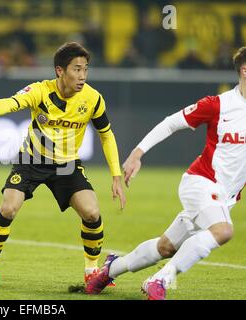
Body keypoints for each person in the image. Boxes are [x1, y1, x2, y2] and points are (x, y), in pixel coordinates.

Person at [0, 42, 126, 286]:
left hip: (67, 165)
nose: (82, 76)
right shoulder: (39, 91)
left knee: (92, 212)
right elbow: (8, 103)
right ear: (60, 71)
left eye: (85, 69)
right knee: (8, 209)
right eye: (76, 69)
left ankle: (92, 270)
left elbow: (106, 134)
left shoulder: (93, 99)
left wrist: (116, 175)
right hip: (32, 161)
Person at [86, 46, 246, 300]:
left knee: (166, 246)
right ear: (244, 71)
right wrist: (138, 152)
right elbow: (172, 122)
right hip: (201, 183)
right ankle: (159, 279)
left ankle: (110, 269)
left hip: (223, 197)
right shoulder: (219, 105)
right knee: (223, 231)